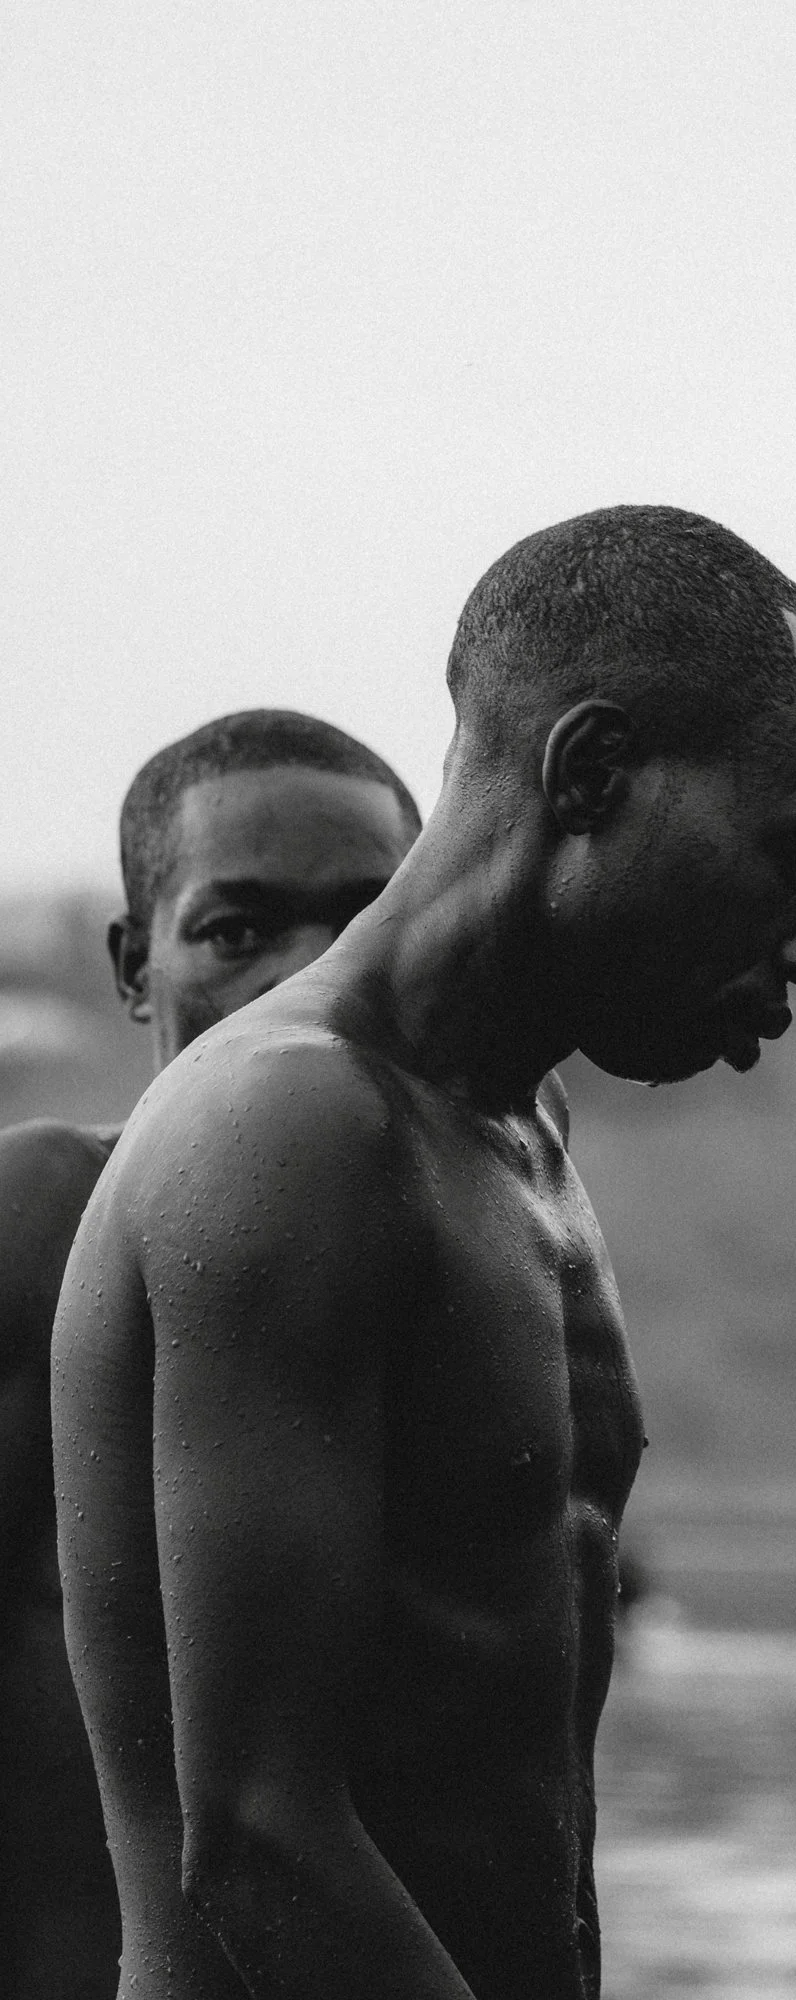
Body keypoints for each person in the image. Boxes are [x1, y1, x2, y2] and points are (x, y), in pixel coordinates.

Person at [53, 505, 796, 2000]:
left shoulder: (520, 1138)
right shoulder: (293, 1132)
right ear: (591, 774)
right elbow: (255, 1840)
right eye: (794, 854)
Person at [0, 710, 425, 2000]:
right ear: (138, 967)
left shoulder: (485, 1240)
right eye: (237, 930)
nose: (303, 974)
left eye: (359, 922)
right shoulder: (43, 1223)